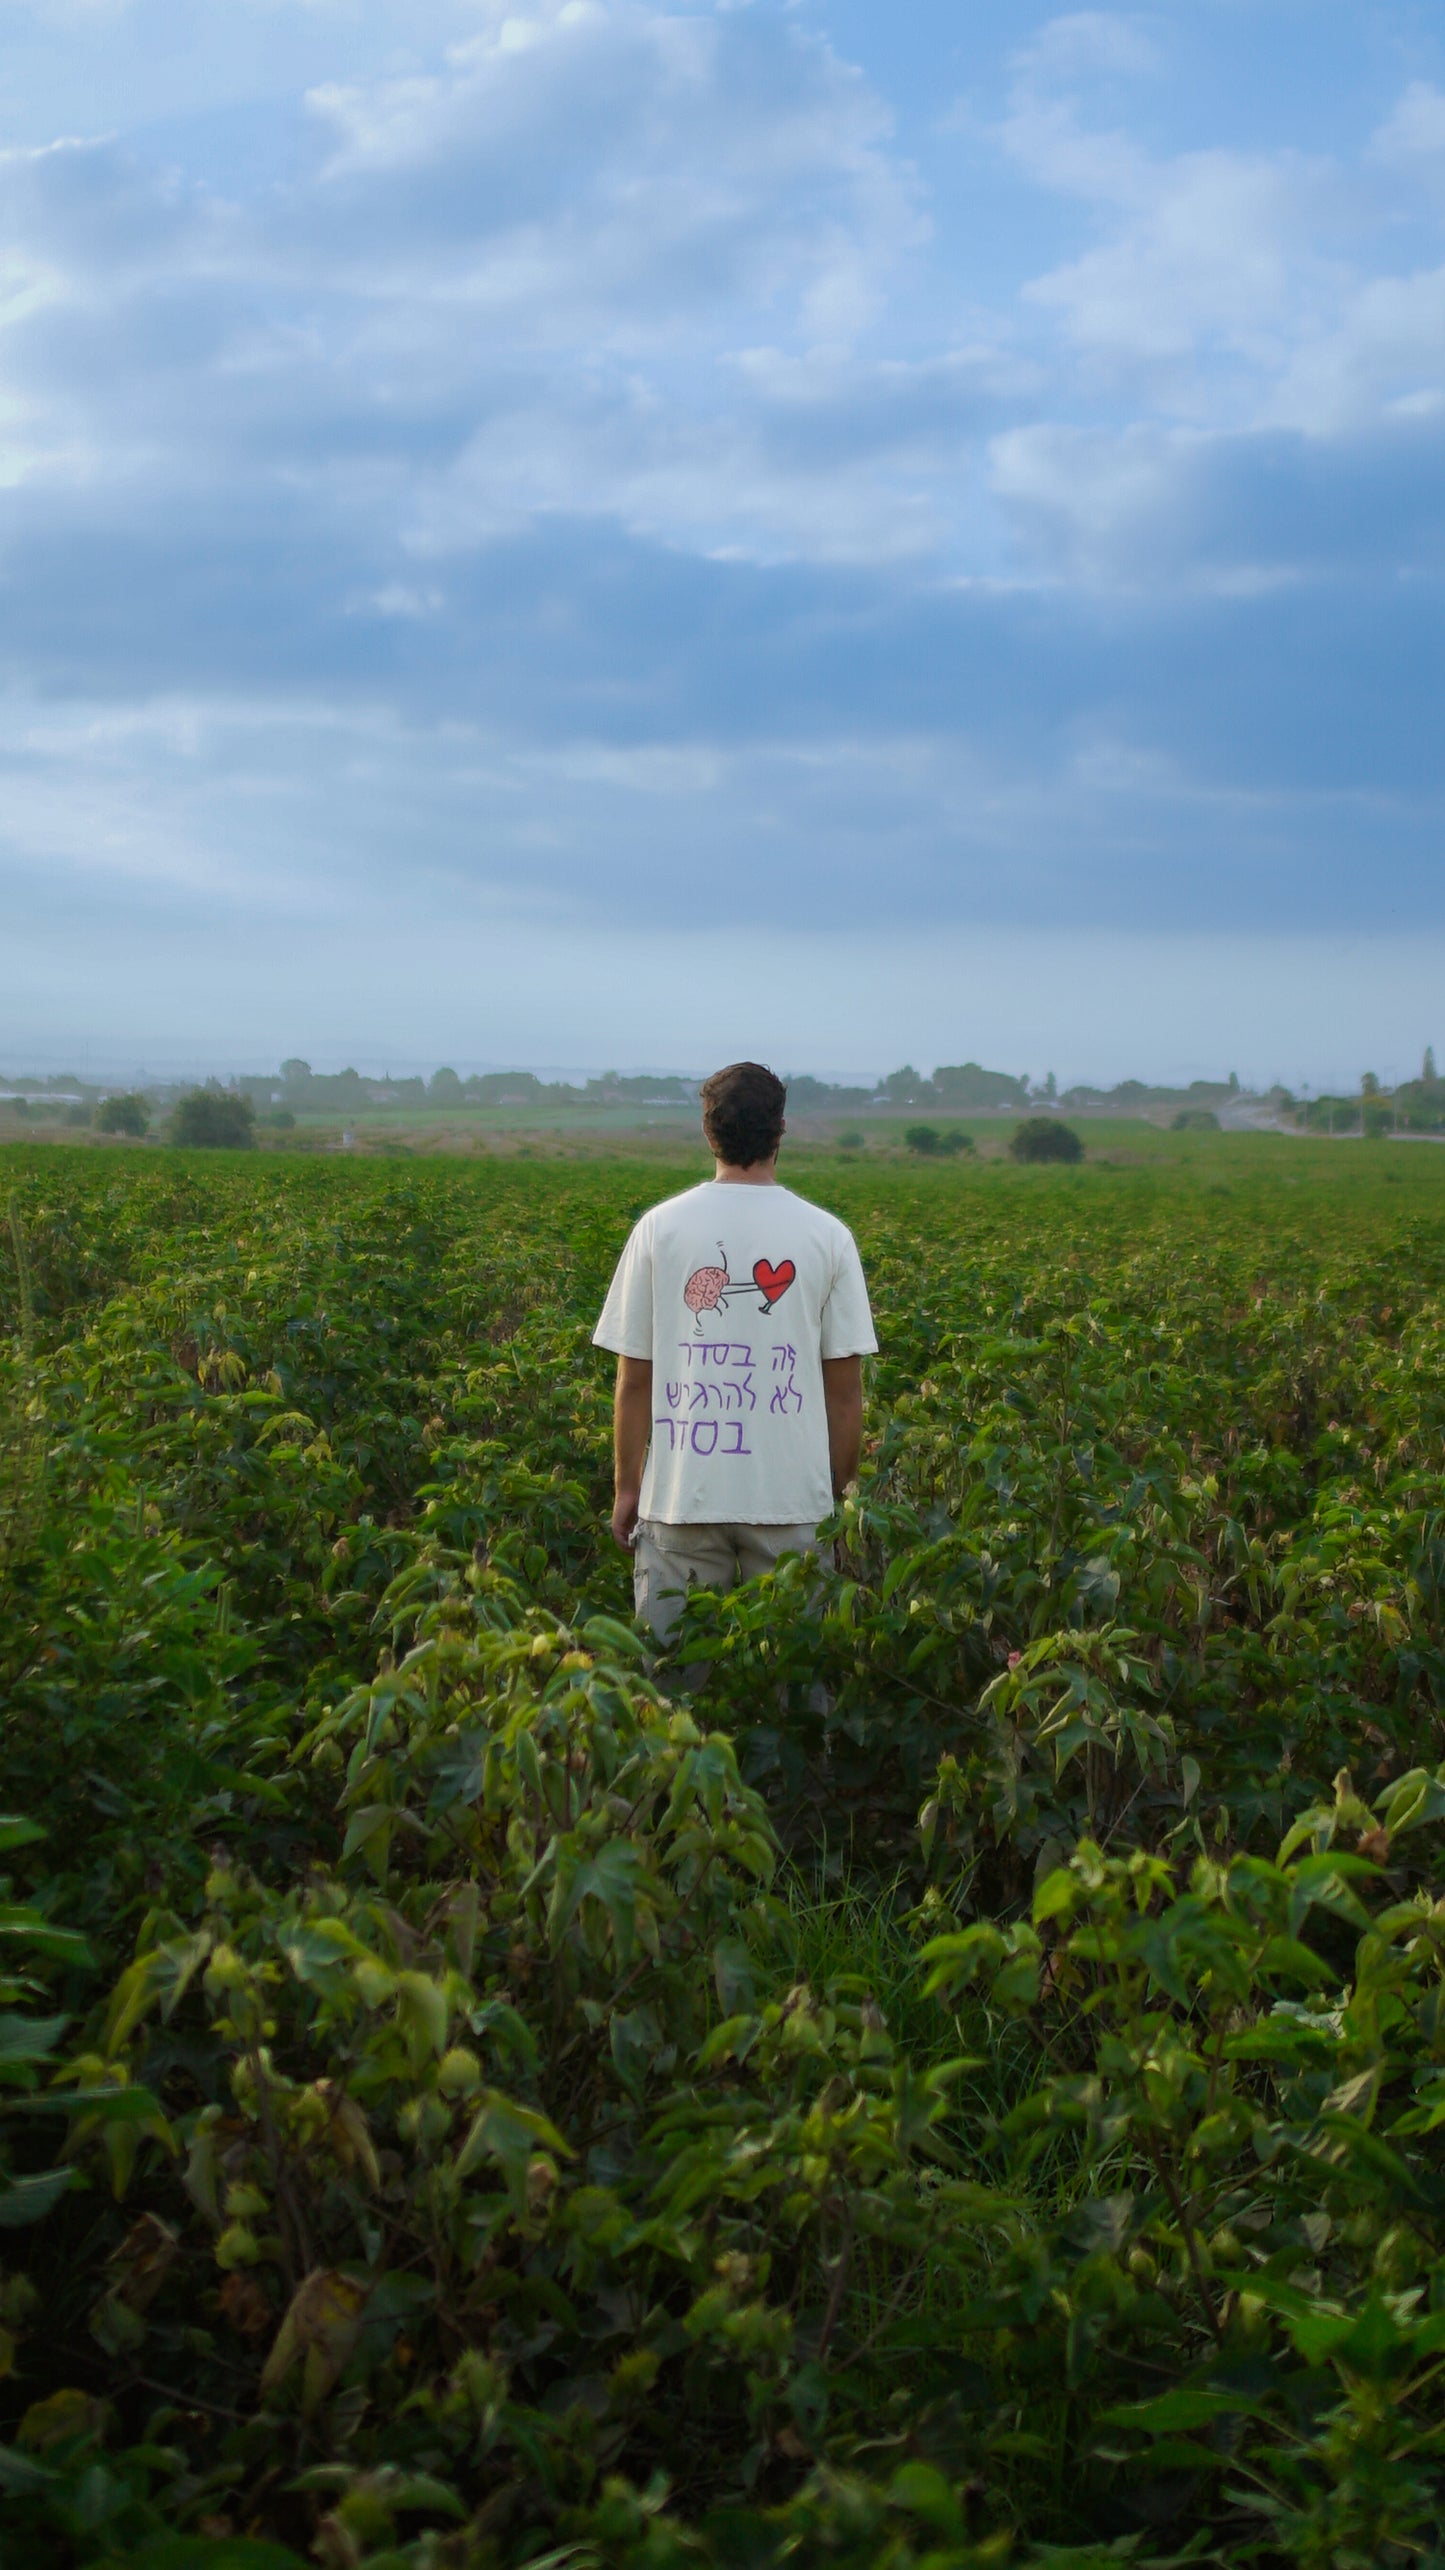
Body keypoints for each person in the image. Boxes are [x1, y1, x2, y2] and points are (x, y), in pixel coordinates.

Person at [593, 1060, 877, 1643]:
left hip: (680, 1497)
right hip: (793, 1504)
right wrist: (838, 1494)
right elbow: (845, 1395)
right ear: (780, 1131)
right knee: (795, 1694)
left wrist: (628, 1488)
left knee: (671, 1696)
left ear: (708, 1131)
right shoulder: (828, 1236)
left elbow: (634, 1382)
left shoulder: (658, 1228)